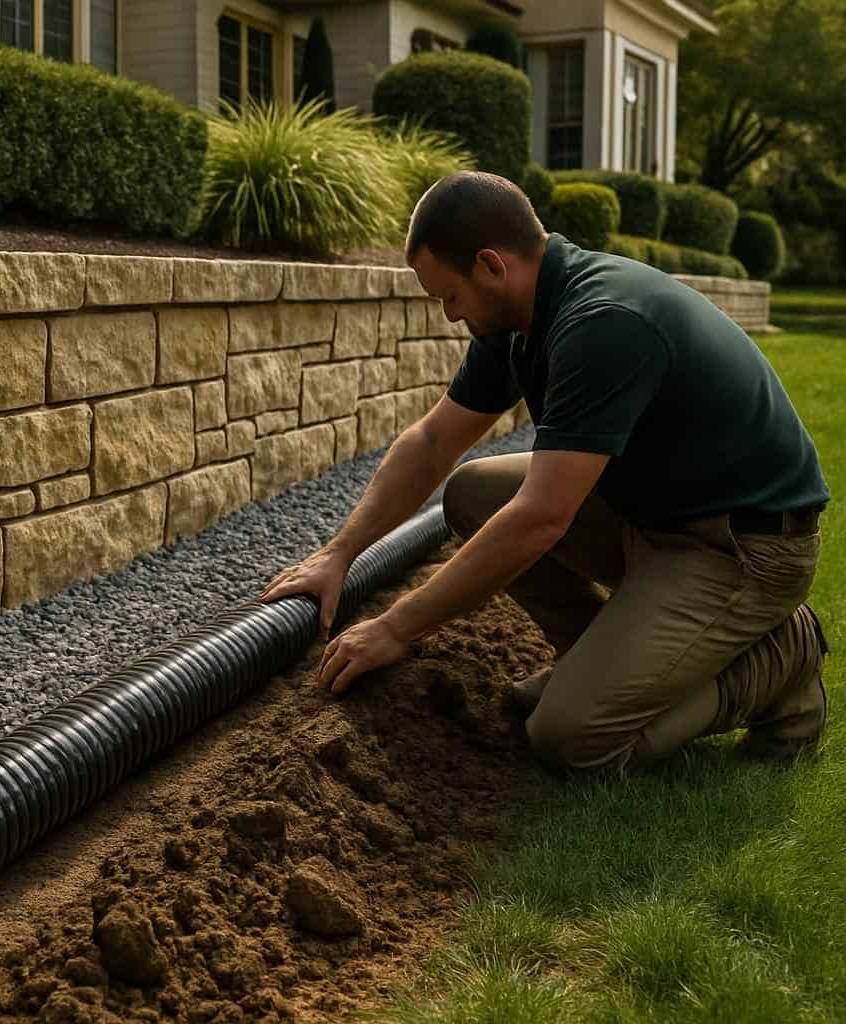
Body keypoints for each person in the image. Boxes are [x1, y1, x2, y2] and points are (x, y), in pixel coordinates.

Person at [258, 171, 830, 771]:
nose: (450, 316)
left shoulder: (602, 321)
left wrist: (396, 627)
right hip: (656, 516)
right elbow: (431, 442)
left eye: (447, 295)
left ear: (490, 265)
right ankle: (607, 665)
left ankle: (780, 663)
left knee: (571, 736)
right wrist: (340, 553)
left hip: (741, 547)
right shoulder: (519, 318)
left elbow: (542, 519)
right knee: (473, 493)